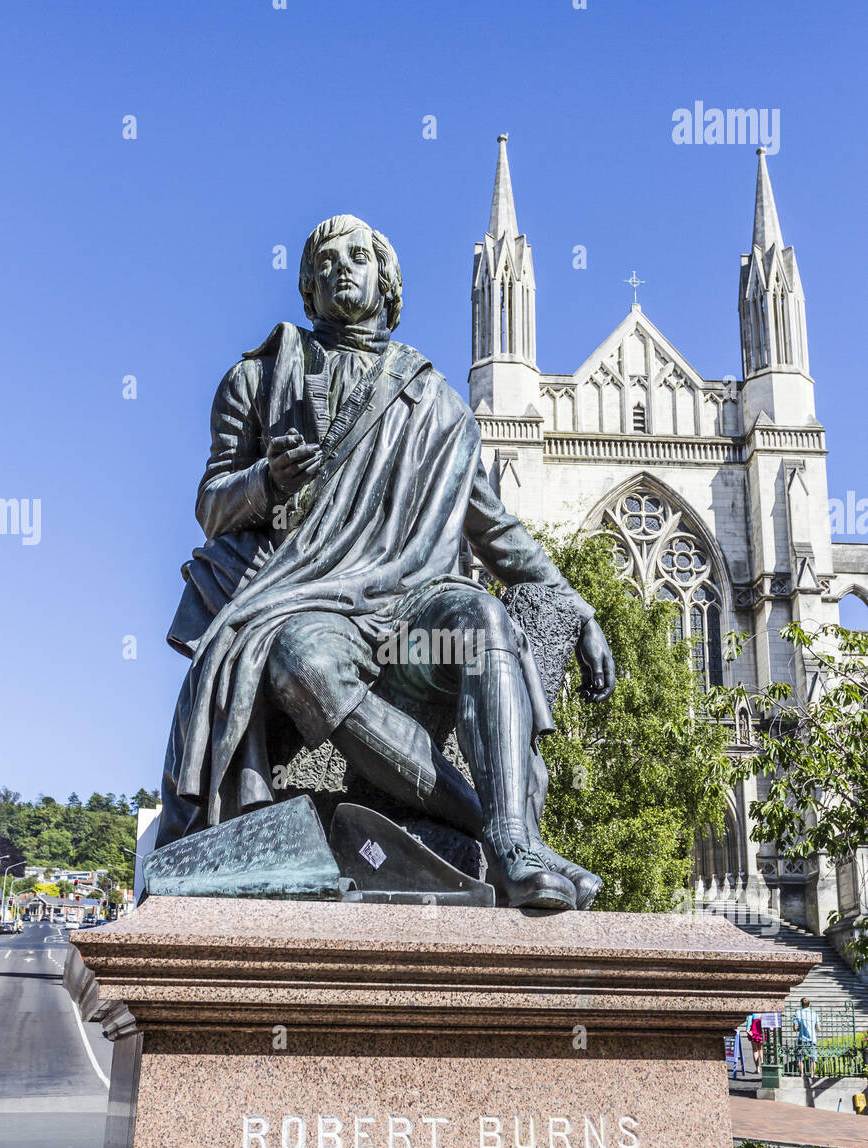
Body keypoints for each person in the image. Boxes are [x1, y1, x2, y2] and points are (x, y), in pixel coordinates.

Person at [157, 215, 618, 910]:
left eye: (359, 257)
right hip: (307, 602)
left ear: (386, 281)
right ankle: (491, 825)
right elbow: (212, 507)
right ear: (309, 289)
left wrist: (573, 601)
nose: (343, 268)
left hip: (407, 611)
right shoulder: (256, 380)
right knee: (299, 656)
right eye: (326, 263)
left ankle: (516, 844)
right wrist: (266, 481)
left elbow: (495, 529)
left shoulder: (438, 405)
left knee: (479, 616)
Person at [793, 997, 819, 1079]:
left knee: (800, 1058)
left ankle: (802, 1074)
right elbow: (818, 1028)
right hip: (812, 1038)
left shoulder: (797, 1013)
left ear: (801, 1004)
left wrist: (800, 1028)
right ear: (809, 1004)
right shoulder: (814, 1013)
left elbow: (795, 1028)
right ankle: (812, 1074)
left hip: (802, 1038)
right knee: (813, 1058)